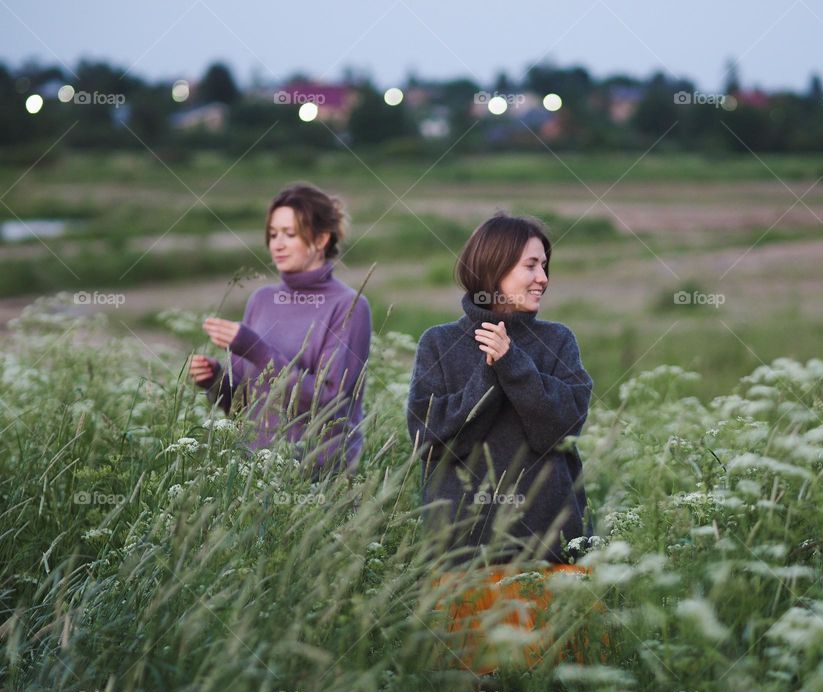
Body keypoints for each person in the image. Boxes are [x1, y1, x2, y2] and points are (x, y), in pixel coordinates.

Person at [406, 212, 593, 567]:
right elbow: (428, 442)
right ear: (495, 269)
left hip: (550, 549)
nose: (543, 278)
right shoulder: (439, 342)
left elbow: (560, 432)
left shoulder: (558, 340)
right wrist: (488, 375)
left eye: (545, 266)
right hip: (460, 552)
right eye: (531, 265)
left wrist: (514, 363)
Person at [188, 183, 372, 480]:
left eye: (290, 234)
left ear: (321, 239)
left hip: (317, 476)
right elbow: (240, 406)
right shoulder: (261, 300)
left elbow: (330, 402)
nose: (277, 244)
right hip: (252, 475)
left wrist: (253, 348)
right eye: (273, 234)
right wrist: (214, 380)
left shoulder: (349, 306)